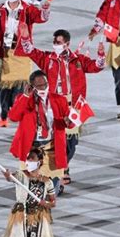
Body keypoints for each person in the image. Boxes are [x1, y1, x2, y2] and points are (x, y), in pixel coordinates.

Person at [17, 24, 105, 187]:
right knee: (58, 139)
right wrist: (24, 36)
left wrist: (100, 53)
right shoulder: (47, 59)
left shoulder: (78, 60)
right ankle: (60, 171)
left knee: (71, 141)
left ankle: (65, 164)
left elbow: (97, 66)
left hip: (74, 105)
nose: (55, 45)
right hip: (54, 105)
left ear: (67, 44)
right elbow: (30, 51)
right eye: (54, 42)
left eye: (58, 42)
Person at [0, 0, 51, 128]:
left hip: (22, 52)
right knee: (4, 87)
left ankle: (16, 113)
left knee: (20, 86)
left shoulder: (28, 9)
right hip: (5, 52)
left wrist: (46, 8)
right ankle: (4, 113)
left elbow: (41, 18)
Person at [9, 70, 73, 195]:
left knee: (50, 193)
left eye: (45, 84)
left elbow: (68, 122)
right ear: (31, 87)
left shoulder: (59, 100)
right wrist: (26, 96)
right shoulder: (24, 99)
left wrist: (68, 121)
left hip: (51, 150)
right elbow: (13, 117)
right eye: (39, 86)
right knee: (31, 192)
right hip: (31, 150)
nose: (43, 88)